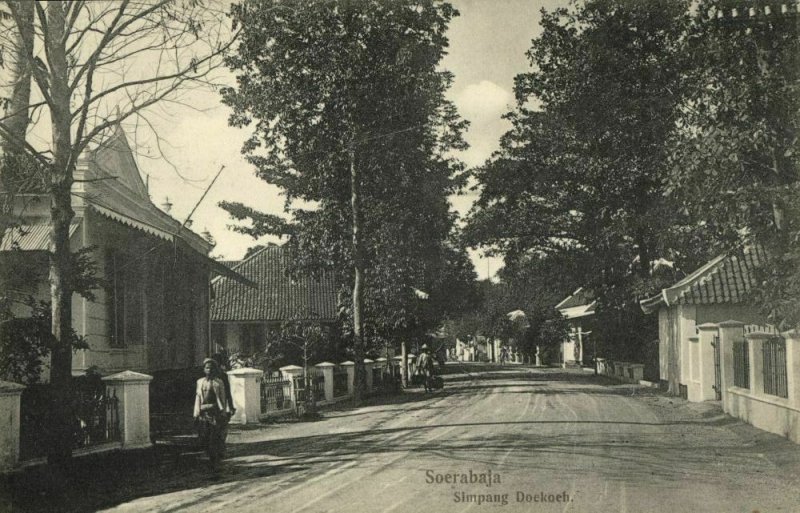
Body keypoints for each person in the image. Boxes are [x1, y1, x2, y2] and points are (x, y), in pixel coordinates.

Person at [194, 358, 229, 469]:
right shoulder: (200, 382)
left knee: (215, 435)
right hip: (204, 412)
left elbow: (223, 398)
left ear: (215, 370)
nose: (209, 370)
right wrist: (196, 413)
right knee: (204, 434)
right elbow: (198, 398)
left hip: (215, 412)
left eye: (211, 368)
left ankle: (215, 457)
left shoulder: (218, 382)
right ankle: (210, 454)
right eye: (207, 368)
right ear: (204, 369)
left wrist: (224, 411)